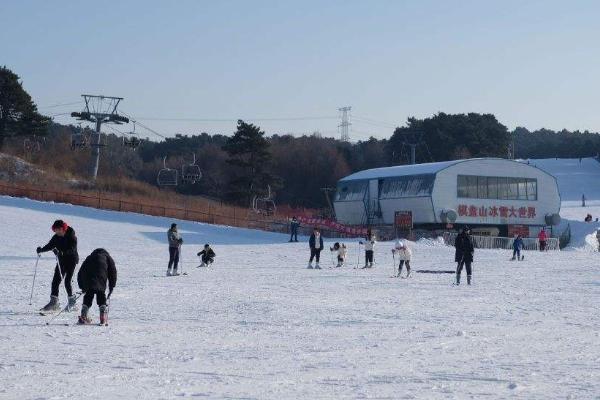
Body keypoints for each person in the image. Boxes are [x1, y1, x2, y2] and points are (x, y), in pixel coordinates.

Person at [36, 220, 79, 312]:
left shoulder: (72, 237)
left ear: (64, 228)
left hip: (71, 261)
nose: (57, 232)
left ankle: (72, 303)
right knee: (55, 281)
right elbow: (50, 245)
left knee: (67, 281)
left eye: (59, 229)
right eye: (55, 230)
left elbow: (72, 249)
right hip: (61, 261)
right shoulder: (56, 237)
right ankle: (54, 303)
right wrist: (41, 250)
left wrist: (61, 252)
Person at [76, 248, 117, 325]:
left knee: (89, 294)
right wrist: (112, 286)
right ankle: (102, 313)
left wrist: (82, 286)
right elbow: (113, 273)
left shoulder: (89, 257)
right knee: (100, 293)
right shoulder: (107, 257)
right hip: (101, 278)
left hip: (88, 278)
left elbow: (80, 272)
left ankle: (83, 315)